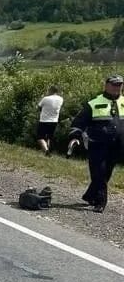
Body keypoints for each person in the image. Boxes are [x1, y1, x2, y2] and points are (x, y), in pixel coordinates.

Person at [68, 74, 123, 213]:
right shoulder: (93, 103)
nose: (117, 87)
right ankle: (100, 201)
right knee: (99, 173)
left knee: (106, 173)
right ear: (106, 85)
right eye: (114, 84)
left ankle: (90, 195)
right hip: (97, 144)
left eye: (119, 84)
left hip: (117, 146)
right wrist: (75, 137)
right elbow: (79, 122)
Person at [36, 85, 63, 156]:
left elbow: (38, 107)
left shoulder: (46, 98)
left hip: (44, 120)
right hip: (54, 121)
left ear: (50, 90)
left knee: (40, 137)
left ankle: (46, 151)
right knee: (49, 137)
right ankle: (48, 151)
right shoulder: (61, 99)